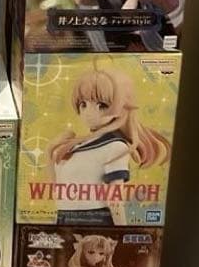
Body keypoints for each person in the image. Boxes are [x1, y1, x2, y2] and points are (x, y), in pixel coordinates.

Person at [46, 64, 170, 225]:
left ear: (120, 107)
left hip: (94, 220)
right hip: (65, 218)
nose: (89, 112)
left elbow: (115, 200)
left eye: (102, 105)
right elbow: (58, 190)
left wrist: (121, 232)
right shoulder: (79, 145)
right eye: (83, 104)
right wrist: (49, 151)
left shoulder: (115, 147)